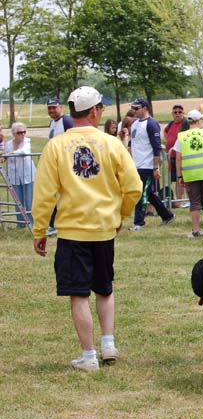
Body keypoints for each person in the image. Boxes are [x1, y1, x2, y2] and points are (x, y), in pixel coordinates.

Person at [31, 86, 142, 372]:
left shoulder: (56, 146)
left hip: (72, 231)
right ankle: (108, 344)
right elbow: (133, 187)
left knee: (78, 293)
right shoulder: (112, 143)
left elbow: (44, 194)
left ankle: (89, 355)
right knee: (105, 288)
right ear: (94, 111)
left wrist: (40, 230)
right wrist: (122, 214)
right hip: (104, 228)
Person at [128, 97, 175, 230]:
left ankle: (139, 222)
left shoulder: (151, 124)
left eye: (137, 108)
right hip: (137, 165)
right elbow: (132, 144)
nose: (134, 111)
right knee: (149, 194)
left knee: (142, 194)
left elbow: (156, 148)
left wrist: (156, 167)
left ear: (145, 108)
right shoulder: (134, 124)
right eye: (133, 108)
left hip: (147, 165)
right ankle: (167, 215)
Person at [173, 109, 203, 238]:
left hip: (190, 174)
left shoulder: (182, 137)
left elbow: (178, 158)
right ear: (198, 121)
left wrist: (179, 175)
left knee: (194, 202)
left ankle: (195, 230)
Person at [46, 98, 74, 236]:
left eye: (54, 107)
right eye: (49, 108)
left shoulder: (67, 121)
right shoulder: (52, 123)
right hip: (55, 164)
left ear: (60, 107)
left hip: (66, 165)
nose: (51, 110)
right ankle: (53, 223)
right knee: (51, 194)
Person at [2, 122, 36, 226]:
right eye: (19, 132)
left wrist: (11, 153)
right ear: (14, 134)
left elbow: (24, 152)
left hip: (27, 176)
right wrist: (4, 157)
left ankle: (31, 223)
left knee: (29, 201)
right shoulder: (8, 144)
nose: (23, 134)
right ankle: (20, 223)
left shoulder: (27, 141)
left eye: (24, 132)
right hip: (14, 177)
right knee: (18, 201)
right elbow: (5, 157)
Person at [163, 104, 189, 206]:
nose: (177, 114)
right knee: (175, 179)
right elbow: (165, 132)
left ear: (183, 113)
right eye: (175, 112)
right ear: (172, 114)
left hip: (181, 156)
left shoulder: (185, 123)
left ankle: (186, 200)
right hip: (171, 157)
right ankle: (178, 201)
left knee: (182, 179)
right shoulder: (170, 124)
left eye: (180, 112)